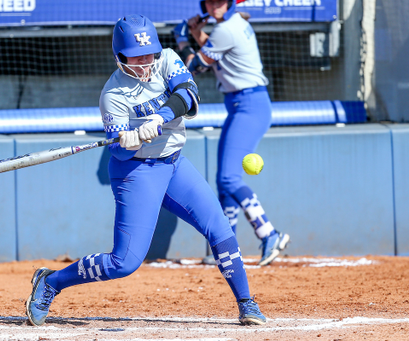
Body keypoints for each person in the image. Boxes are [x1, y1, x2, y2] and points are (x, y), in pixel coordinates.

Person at [26, 13, 266, 327]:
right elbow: (119, 154)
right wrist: (126, 141)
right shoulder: (112, 96)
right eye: (136, 57)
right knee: (123, 263)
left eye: (148, 54)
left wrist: (159, 117)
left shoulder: (167, 60)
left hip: (175, 164)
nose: (145, 62)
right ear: (120, 57)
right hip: (137, 173)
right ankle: (51, 282)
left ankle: (247, 303)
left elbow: (190, 95)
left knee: (220, 229)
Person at [172, 0, 290, 266]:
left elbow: (196, 66)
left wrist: (182, 40)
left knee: (228, 178)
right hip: (243, 105)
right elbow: (213, 49)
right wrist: (196, 34)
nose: (214, 5)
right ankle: (228, 247)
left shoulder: (226, 30)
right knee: (223, 180)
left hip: (249, 106)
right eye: (210, 1)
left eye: (220, 1)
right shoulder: (231, 26)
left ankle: (269, 233)